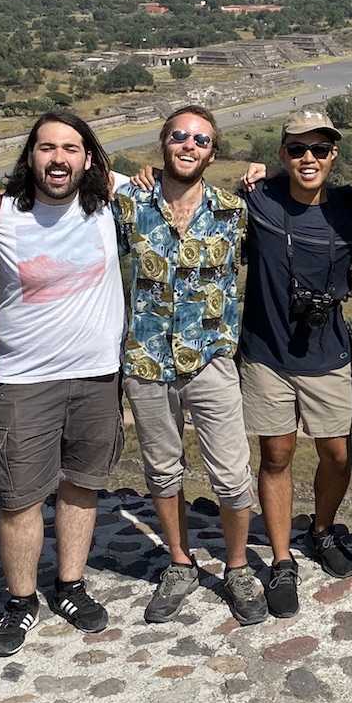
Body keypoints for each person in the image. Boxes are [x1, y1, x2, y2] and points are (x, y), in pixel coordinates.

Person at [0, 111, 126, 657]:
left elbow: (184, 187)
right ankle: (20, 601)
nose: (58, 159)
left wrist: (255, 175)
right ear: (29, 155)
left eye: (70, 148)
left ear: (89, 159)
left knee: (82, 485)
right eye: (46, 148)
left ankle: (71, 585)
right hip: (24, 379)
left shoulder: (112, 201)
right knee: (18, 497)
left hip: (96, 374)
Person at [117, 105, 268, 626]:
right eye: (180, 136)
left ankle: (237, 566)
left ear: (213, 152)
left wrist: (265, 176)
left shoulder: (233, 209)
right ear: (163, 143)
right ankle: (179, 563)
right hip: (146, 360)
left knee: (232, 475)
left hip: (210, 361)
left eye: (201, 140)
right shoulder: (130, 202)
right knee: (163, 470)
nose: (189, 145)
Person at [238, 109, 352, 617]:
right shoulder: (258, 197)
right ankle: (282, 557)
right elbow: (186, 188)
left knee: (336, 453)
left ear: (334, 155)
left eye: (318, 150)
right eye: (296, 149)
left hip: (326, 350)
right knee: (276, 455)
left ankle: (323, 528)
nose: (307, 158)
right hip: (267, 352)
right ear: (281, 154)